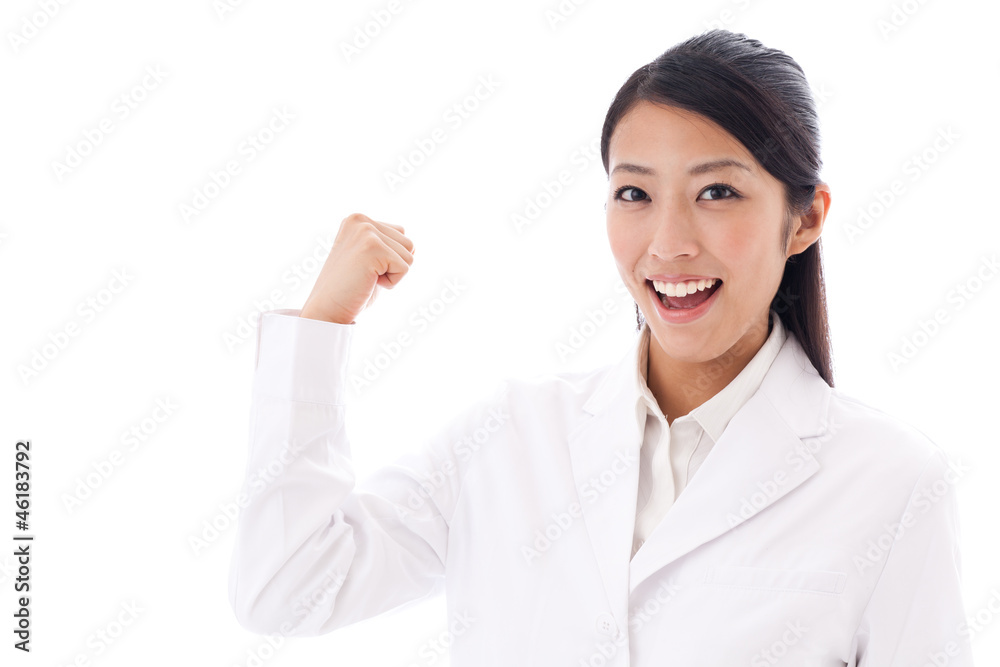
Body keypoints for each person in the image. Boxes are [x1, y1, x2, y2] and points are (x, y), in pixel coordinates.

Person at [228, 29, 971, 665]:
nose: (669, 244)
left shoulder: (889, 483)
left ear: (805, 218)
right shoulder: (511, 438)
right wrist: (325, 321)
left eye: (717, 192)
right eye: (634, 194)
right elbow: (287, 588)